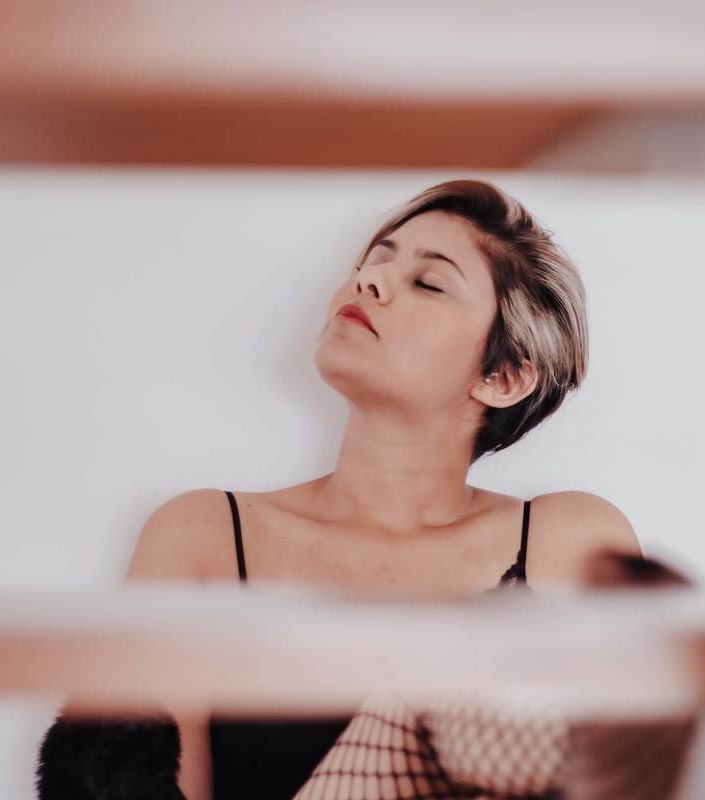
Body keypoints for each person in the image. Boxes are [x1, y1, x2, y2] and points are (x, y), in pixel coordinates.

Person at [100, 180, 642, 800]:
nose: (370, 282)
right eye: (371, 264)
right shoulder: (203, 535)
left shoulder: (568, 540)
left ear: (503, 376)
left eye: (428, 282)